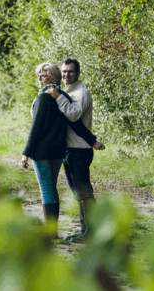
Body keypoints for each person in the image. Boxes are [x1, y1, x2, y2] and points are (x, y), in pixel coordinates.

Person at [21, 62, 104, 239]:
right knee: (53, 189)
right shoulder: (62, 96)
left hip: (44, 152)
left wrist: (26, 153)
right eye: (38, 74)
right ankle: (78, 231)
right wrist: (92, 140)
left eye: (42, 75)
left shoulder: (47, 97)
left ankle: (53, 233)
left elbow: (36, 128)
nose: (39, 78)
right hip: (59, 152)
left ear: (51, 77)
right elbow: (74, 123)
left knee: (48, 190)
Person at [47, 57, 104, 242]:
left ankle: (92, 232)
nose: (66, 75)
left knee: (84, 192)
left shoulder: (82, 93)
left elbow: (73, 115)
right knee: (77, 193)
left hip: (80, 150)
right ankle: (84, 229)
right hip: (69, 149)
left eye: (70, 71)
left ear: (78, 73)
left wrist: (58, 98)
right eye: (64, 72)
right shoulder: (67, 91)